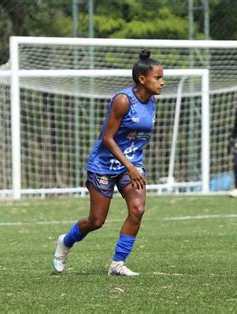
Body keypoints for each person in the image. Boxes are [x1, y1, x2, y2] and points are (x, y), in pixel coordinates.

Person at [53, 49, 164, 276]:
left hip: (131, 165)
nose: (162, 82)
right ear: (142, 79)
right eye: (158, 78)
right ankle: (65, 242)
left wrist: (134, 165)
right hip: (104, 165)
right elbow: (107, 138)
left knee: (138, 208)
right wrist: (131, 167)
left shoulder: (152, 101)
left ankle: (117, 264)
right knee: (96, 221)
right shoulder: (123, 101)